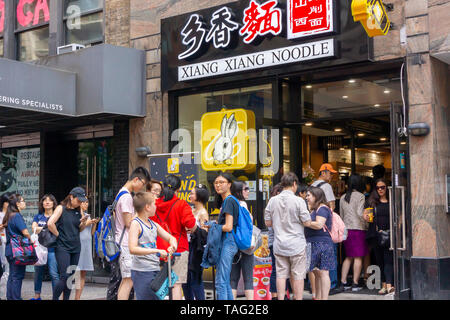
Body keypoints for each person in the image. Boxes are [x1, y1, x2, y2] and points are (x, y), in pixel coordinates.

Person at [265, 173, 321, 300]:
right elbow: (306, 222)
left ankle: (280, 298)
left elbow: (268, 222)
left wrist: (279, 223)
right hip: (297, 244)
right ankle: (298, 298)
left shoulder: (273, 200)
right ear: (294, 184)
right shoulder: (299, 201)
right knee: (298, 275)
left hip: (279, 243)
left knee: (280, 274)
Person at [151, 174, 197, 300]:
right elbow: (191, 224)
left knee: (160, 285)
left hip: (159, 249)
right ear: (178, 190)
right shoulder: (181, 205)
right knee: (176, 285)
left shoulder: (154, 204)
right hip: (179, 249)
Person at [108, 166, 151, 301]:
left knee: (126, 280)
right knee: (128, 281)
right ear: (136, 179)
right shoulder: (126, 196)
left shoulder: (121, 193)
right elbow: (128, 222)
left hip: (122, 242)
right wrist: (141, 216)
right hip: (126, 243)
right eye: (142, 184)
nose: (142, 187)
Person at [128, 192, 178, 300]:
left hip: (154, 270)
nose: (156, 206)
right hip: (141, 271)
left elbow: (171, 238)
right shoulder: (135, 224)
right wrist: (156, 251)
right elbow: (132, 248)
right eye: (154, 204)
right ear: (147, 207)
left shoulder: (153, 224)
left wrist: (172, 246)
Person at [48, 187, 90, 300]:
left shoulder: (78, 210)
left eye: (82, 201)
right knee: (64, 276)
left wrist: (84, 223)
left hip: (76, 247)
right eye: (78, 200)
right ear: (71, 197)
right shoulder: (61, 208)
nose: (80, 203)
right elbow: (50, 223)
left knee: (71, 277)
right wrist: (58, 235)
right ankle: (55, 298)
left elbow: (79, 229)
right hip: (62, 247)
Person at [202, 173, 239, 300]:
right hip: (229, 242)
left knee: (220, 282)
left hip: (228, 242)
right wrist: (216, 224)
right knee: (225, 281)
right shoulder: (228, 200)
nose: (218, 185)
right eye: (216, 182)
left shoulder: (229, 201)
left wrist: (213, 227)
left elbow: (228, 227)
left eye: (221, 182)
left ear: (229, 184)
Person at [311, 163, 338, 294]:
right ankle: (331, 286)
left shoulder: (311, 186)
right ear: (323, 173)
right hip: (324, 230)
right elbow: (332, 205)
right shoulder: (326, 186)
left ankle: (316, 291)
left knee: (315, 266)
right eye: (330, 173)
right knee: (328, 264)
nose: (331, 176)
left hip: (312, 232)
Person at [305, 187, 336, 300]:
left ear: (316, 196)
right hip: (314, 243)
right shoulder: (314, 209)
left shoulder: (322, 209)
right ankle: (318, 297)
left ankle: (324, 298)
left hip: (322, 244)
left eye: (309, 195)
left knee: (323, 272)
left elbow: (319, 224)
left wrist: (305, 222)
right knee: (317, 272)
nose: (306, 197)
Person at [364, 179, 394, 295]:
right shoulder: (371, 202)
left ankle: (389, 285)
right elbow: (365, 215)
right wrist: (365, 217)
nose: (380, 189)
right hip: (376, 235)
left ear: (387, 188)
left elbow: (399, 216)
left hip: (389, 234)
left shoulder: (392, 201)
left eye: (383, 187)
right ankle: (384, 285)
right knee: (380, 260)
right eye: (378, 188)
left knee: (388, 260)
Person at [338, 174, 368, 292]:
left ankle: (343, 282)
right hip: (358, 229)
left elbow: (341, 215)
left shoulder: (343, 197)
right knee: (358, 257)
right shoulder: (360, 196)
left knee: (348, 257)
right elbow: (361, 213)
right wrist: (367, 223)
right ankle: (355, 284)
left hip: (347, 230)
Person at [182, 184, 209, 300]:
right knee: (185, 279)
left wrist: (193, 230)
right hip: (186, 246)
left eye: (192, 193)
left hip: (197, 249)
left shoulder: (203, 213)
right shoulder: (191, 210)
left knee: (196, 279)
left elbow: (205, 234)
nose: (190, 195)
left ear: (199, 196)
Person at [31, 194, 60, 300]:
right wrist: (48, 227)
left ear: (53, 203)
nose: (47, 202)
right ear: (42, 203)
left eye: (50, 200)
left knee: (54, 273)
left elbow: (58, 230)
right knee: (38, 272)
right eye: (45, 200)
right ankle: (37, 295)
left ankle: (55, 297)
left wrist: (41, 228)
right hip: (40, 248)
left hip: (53, 248)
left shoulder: (57, 216)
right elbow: (34, 228)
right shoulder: (38, 216)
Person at [2, 194, 30, 300]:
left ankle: (11, 297)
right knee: (17, 276)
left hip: (10, 249)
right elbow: (25, 232)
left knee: (12, 276)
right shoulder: (17, 215)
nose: (24, 203)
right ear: (17, 204)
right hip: (17, 249)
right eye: (23, 201)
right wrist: (31, 240)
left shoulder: (9, 215)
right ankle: (16, 298)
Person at [230, 181, 254, 300]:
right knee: (248, 279)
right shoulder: (243, 205)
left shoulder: (230, 204)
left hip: (233, 245)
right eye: (246, 189)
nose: (248, 191)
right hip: (246, 246)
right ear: (239, 191)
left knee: (233, 279)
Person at [75, 201, 99, 300]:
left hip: (87, 246)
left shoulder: (87, 215)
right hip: (78, 245)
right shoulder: (75, 215)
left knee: (83, 272)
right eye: (84, 202)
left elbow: (91, 233)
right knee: (76, 272)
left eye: (87, 202)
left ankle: (77, 298)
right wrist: (89, 222)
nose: (86, 204)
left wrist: (94, 224)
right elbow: (78, 228)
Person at [268, 183, 282, 300]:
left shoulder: (271, 205)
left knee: (276, 270)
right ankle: (276, 296)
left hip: (274, 242)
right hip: (276, 242)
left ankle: (276, 296)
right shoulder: (274, 205)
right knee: (278, 270)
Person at [0, 192, 12, 300]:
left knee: (8, 269)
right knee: (4, 268)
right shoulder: (0, 215)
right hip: (2, 243)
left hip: (11, 243)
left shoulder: (12, 214)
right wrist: (4, 225)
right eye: (7, 202)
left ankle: (6, 294)